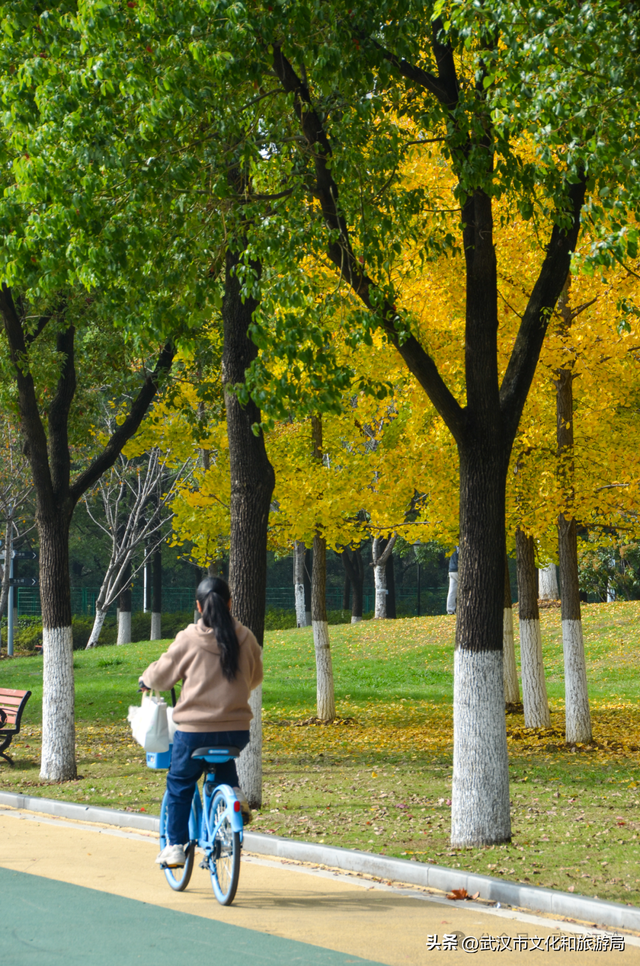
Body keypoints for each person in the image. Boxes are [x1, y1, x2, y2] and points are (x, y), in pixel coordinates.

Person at [139, 576, 263, 869]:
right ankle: (233, 795)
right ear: (229, 602)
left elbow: (161, 676)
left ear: (198, 606)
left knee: (180, 784)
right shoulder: (246, 637)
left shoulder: (189, 638)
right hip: (236, 732)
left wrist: (146, 679)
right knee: (221, 764)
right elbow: (254, 678)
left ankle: (175, 847)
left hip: (194, 733)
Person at [446, 547, 459, 615]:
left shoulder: (452, 547)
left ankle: (450, 610)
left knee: (452, 591)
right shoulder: (459, 546)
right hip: (458, 569)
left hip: (451, 570)